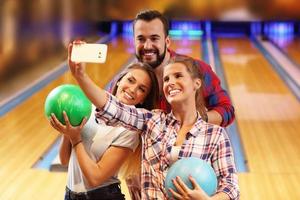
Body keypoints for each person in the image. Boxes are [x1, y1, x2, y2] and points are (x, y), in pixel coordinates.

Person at [69, 53, 239, 199]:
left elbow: (231, 187)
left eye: (178, 76)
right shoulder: (152, 121)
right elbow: (113, 108)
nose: (170, 82)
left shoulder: (215, 135)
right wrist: (81, 75)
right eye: (166, 79)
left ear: (196, 83)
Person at [49, 50, 159, 200]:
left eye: (141, 89)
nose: (133, 89)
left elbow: (96, 177)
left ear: (143, 99)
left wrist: (76, 139)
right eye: (131, 80)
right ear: (120, 80)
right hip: (70, 195)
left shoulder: (130, 130)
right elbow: (65, 160)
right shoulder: (90, 107)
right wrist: (67, 131)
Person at [131, 9, 234, 127]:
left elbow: (227, 110)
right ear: (134, 41)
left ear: (167, 41)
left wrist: (193, 121)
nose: (147, 46)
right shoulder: (128, 77)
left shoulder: (197, 69)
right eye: (141, 39)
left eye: (154, 38)